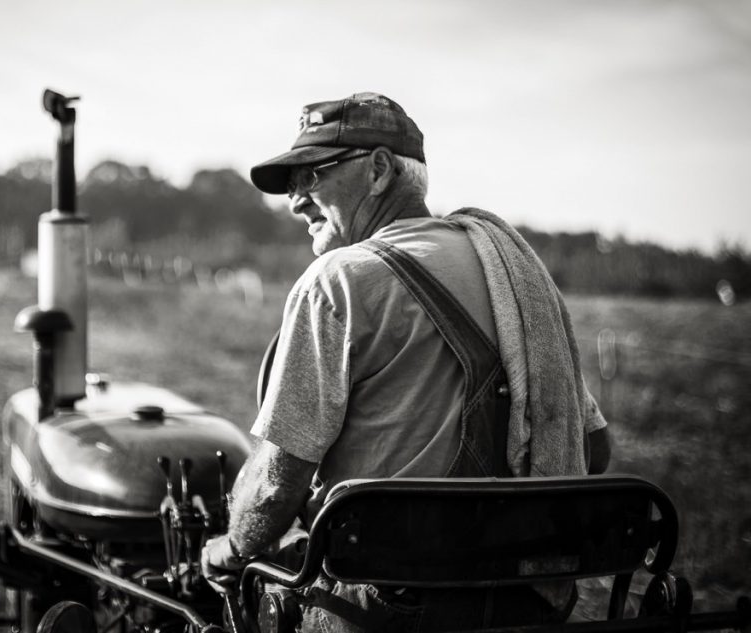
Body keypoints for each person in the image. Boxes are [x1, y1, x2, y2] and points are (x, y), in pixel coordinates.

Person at [200, 92, 611, 631]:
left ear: (377, 170)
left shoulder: (337, 281)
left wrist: (230, 547)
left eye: (313, 175)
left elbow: (279, 481)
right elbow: (591, 449)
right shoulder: (514, 278)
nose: (296, 200)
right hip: (523, 605)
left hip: (386, 608)